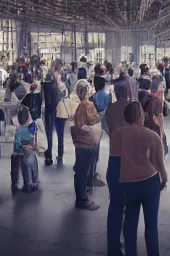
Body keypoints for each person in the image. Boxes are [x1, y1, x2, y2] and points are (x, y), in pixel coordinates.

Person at [111, 102, 168, 256]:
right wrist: (164, 180)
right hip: (150, 182)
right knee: (151, 225)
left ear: (127, 116)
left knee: (130, 223)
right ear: (141, 116)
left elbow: (115, 161)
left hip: (128, 184)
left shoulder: (118, 134)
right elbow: (160, 163)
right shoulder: (152, 136)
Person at [105, 94, 131, 256]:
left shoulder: (111, 111)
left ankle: (113, 246)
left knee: (115, 207)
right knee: (128, 208)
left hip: (114, 163)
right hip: (128, 165)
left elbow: (105, 127)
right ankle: (128, 245)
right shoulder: (137, 132)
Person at [71, 82, 101, 210]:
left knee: (80, 171)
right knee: (83, 171)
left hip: (80, 143)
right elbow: (93, 119)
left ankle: (81, 197)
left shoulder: (80, 106)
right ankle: (82, 199)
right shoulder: (88, 105)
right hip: (87, 143)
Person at [56, 79, 88, 166]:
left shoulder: (69, 98)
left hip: (61, 112)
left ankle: (60, 154)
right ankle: (79, 159)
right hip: (72, 117)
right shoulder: (84, 102)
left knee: (60, 135)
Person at [11, 106, 39, 194]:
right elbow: (35, 143)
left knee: (23, 168)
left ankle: (26, 184)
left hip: (24, 155)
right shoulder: (32, 128)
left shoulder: (18, 131)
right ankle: (34, 183)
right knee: (33, 167)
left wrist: (19, 151)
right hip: (31, 154)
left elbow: (17, 146)